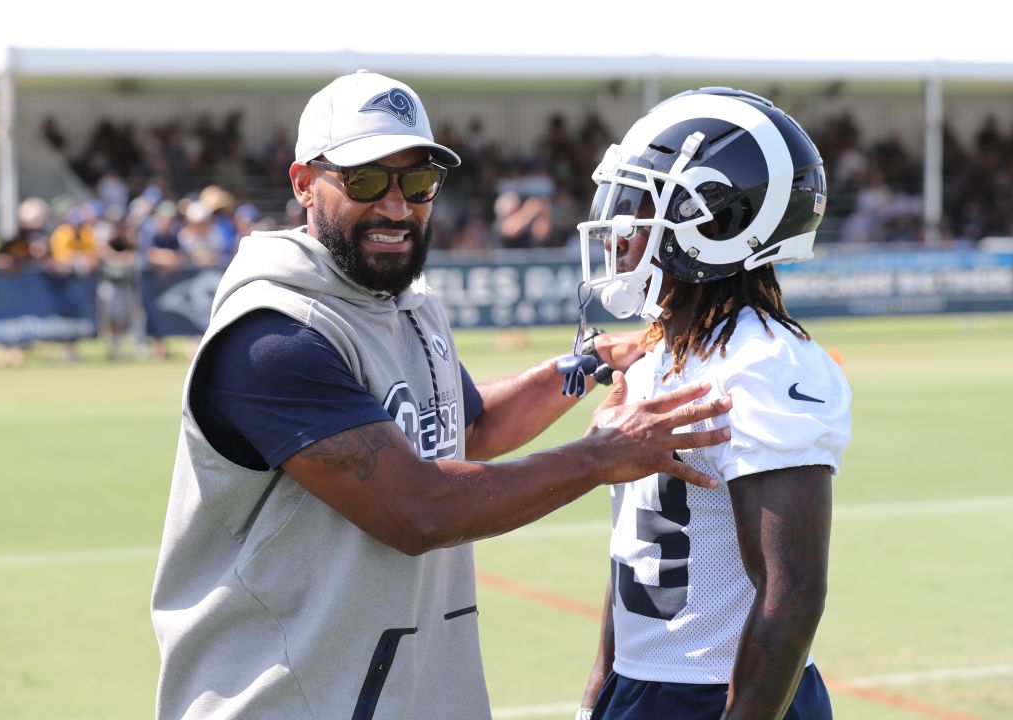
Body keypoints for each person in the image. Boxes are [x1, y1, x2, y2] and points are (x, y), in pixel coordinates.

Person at [150, 70, 733, 720]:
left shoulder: (405, 301)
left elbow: (466, 429)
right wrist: (600, 456)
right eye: (367, 180)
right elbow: (417, 511)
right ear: (303, 184)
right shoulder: (273, 338)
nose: (397, 206)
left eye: (418, 181)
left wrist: (584, 367)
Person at [572, 88, 853, 720]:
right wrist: (605, 681)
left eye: (643, 206)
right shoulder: (660, 349)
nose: (619, 228)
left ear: (717, 223)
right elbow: (640, 552)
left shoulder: (762, 364)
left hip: (722, 693)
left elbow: (794, 591)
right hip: (643, 684)